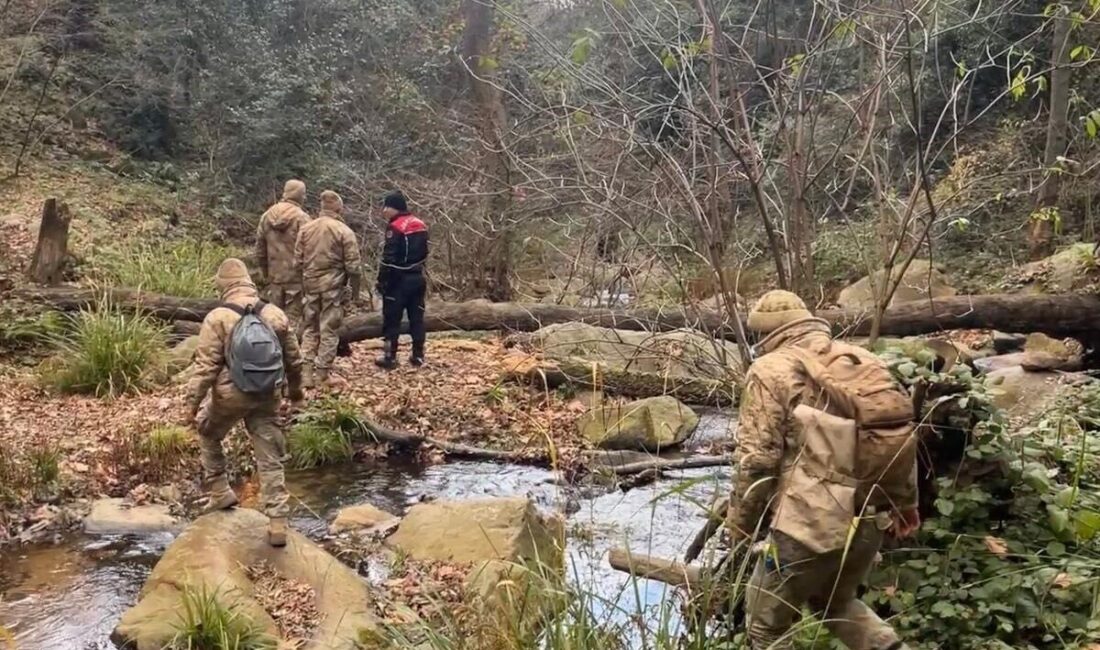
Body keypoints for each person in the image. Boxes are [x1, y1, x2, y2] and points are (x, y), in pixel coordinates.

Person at [729, 290, 919, 650]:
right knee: (836, 603)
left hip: (809, 524)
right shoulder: (862, 360)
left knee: (764, 627)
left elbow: (757, 460)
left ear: (763, 335)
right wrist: (904, 502)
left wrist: (740, 528)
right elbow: (899, 432)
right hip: (868, 516)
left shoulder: (769, 369)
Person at [184, 258, 303, 547]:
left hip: (230, 396)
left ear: (222, 287)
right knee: (270, 454)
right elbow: (294, 361)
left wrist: (190, 406)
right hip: (267, 394)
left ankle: (220, 491)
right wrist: (296, 394)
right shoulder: (274, 313)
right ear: (249, 282)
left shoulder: (217, 318)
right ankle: (277, 521)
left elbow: (206, 368)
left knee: (208, 432)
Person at [295, 190, 361, 387]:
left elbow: (297, 262)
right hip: (333, 287)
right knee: (329, 329)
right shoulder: (343, 231)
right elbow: (354, 267)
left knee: (310, 328)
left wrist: (305, 282)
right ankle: (322, 374)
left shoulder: (306, 229)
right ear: (339, 207)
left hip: (310, 285)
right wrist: (354, 292)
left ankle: (305, 373)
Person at [374, 190, 429, 369]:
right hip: (418, 277)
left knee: (391, 319)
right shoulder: (420, 224)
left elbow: (389, 257)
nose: (383, 211)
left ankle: (389, 357)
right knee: (417, 318)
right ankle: (418, 355)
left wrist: (382, 282)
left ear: (394, 208)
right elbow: (425, 252)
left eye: (386, 207)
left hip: (398, 280)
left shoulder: (396, 227)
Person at [256, 179, 311, 332]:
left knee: (272, 320)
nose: (305, 197)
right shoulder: (302, 218)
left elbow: (259, 249)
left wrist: (265, 273)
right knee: (291, 324)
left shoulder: (267, 216)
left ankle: (269, 352)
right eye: (303, 194)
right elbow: (309, 249)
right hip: (296, 280)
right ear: (298, 195)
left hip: (274, 279)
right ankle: (289, 354)